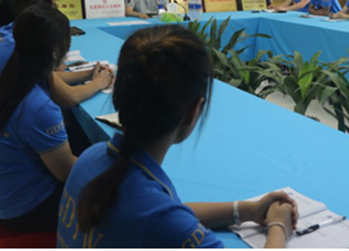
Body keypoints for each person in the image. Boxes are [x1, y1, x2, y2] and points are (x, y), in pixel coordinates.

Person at [57, 25, 298, 248]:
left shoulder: (90, 159)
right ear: (194, 111)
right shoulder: (160, 219)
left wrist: (246, 210)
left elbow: (169, 213)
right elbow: (164, 218)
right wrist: (278, 226)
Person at [0, 4, 77, 232]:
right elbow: (65, 172)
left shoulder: (12, 76)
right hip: (27, 208)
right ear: (56, 51)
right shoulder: (39, 107)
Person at [0, 0, 113, 108]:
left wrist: (89, 73)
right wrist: (99, 82)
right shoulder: (23, 46)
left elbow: (47, 76)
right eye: (54, 10)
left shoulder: (16, 33)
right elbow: (69, 97)